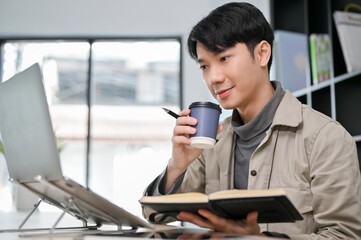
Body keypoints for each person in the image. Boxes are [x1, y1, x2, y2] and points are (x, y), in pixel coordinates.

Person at [142, 2, 361, 239]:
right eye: (204, 66)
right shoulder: (213, 139)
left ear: (262, 54)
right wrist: (178, 165)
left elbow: (344, 235)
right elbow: (154, 215)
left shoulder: (326, 138)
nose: (213, 78)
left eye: (224, 58)